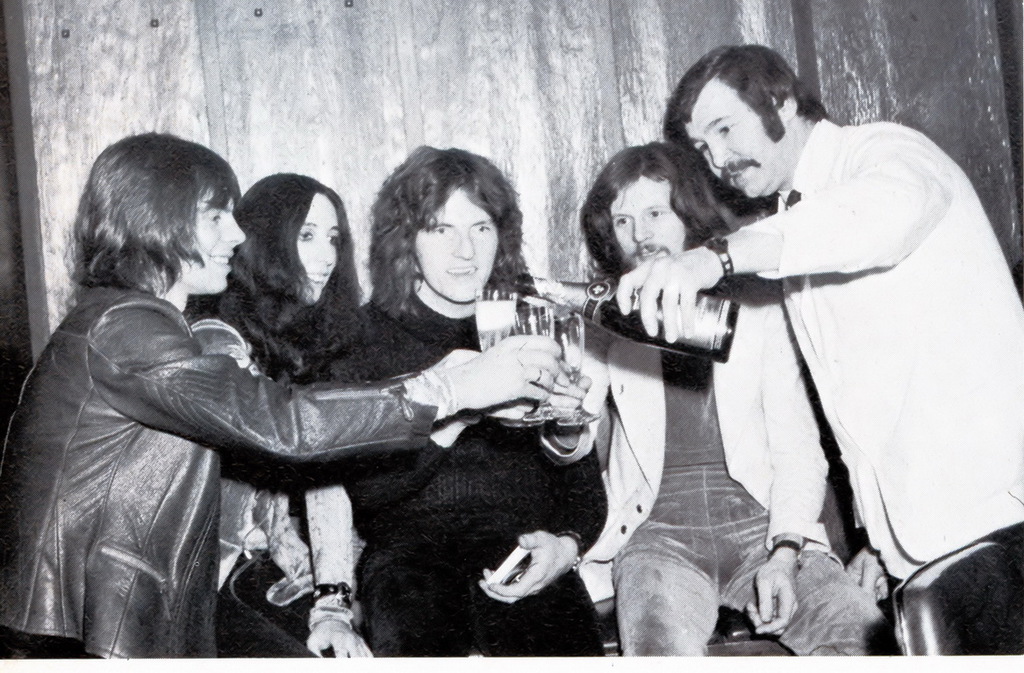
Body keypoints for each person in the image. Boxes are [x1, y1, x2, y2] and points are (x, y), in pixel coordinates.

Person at [0, 134, 570, 659]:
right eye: (216, 216)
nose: (237, 234)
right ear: (156, 221)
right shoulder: (127, 328)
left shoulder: (131, 320)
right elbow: (286, 428)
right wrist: (451, 388)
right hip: (70, 631)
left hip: (100, 614)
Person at [619, 44, 1024, 648]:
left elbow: (872, 218)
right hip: (923, 540)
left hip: (998, 515)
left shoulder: (886, 152)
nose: (719, 159)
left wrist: (716, 257)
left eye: (725, 129)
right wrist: (880, 541)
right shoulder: (797, 219)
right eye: (703, 147)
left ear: (781, 100)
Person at [575, 142, 887, 655]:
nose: (639, 234)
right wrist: (564, 414)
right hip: (657, 537)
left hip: (761, 526)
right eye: (623, 221)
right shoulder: (607, 318)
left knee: (866, 639)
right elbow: (575, 433)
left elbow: (796, 449)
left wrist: (785, 553)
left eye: (655, 213)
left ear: (689, 214)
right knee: (658, 654)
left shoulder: (759, 306)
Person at [316, 146, 606, 656]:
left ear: (501, 237)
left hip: (523, 554)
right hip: (409, 566)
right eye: (440, 229)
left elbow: (583, 492)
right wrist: (461, 409)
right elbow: (366, 494)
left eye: (481, 228)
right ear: (406, 239)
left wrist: (567, 547)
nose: (465, 250)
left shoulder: (532, 327)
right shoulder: (362, 339)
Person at [195, 174, 370, 657]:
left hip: (271, 566)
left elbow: (328, 476)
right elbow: (305, 446)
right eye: (307, 236)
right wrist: (330, 599)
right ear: (267, 242)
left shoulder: (315, 338)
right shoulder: (217, 340)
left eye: (333, 239)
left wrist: (332, 598)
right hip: (208, 575)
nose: (327, 257)